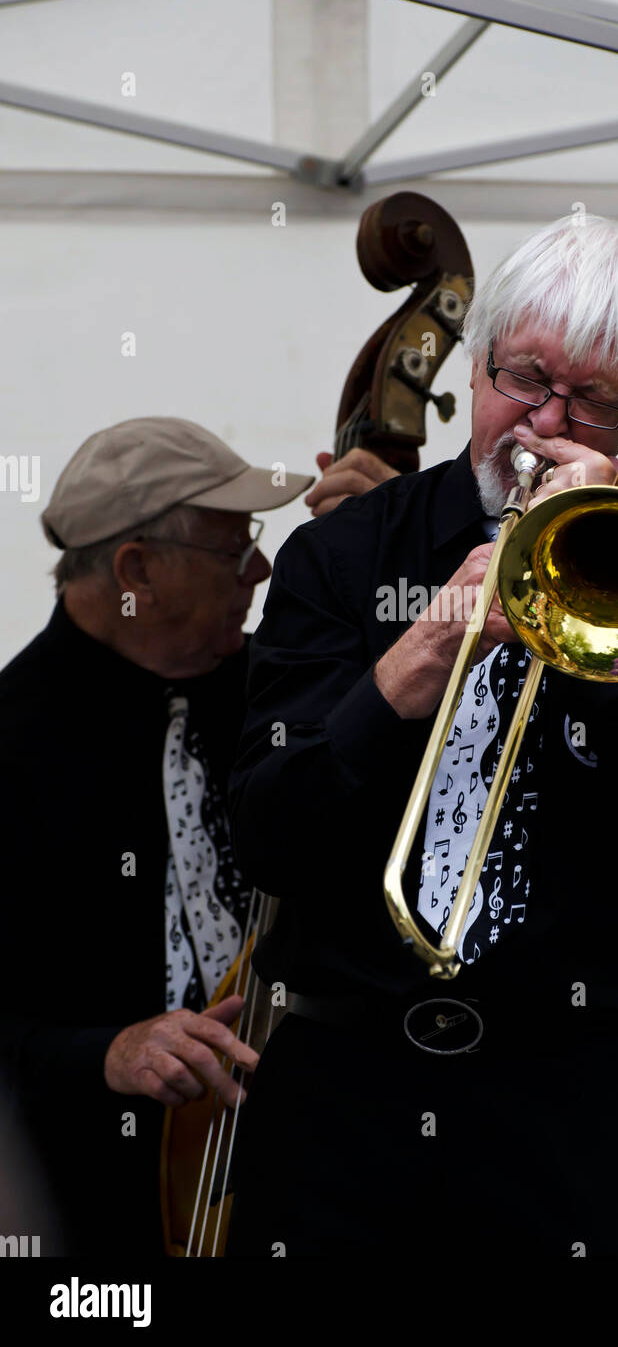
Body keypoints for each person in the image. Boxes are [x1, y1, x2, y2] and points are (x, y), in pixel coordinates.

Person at [226, 214, 618, 1260]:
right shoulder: (339, 562)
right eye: (525, 379)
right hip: (347, 1096)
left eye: (592, 403)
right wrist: (414, 662)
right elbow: (267, 835)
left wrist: (615, 629)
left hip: (579, 1096)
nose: (543, 422)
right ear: (476, 370)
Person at [0, 416, 315, 1256]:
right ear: (137, 570)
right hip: (97, 1216)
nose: (261, 569)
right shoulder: (11, 745)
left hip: (300, 1183)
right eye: (232, 549)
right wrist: (105, 1053)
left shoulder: (277, 693)